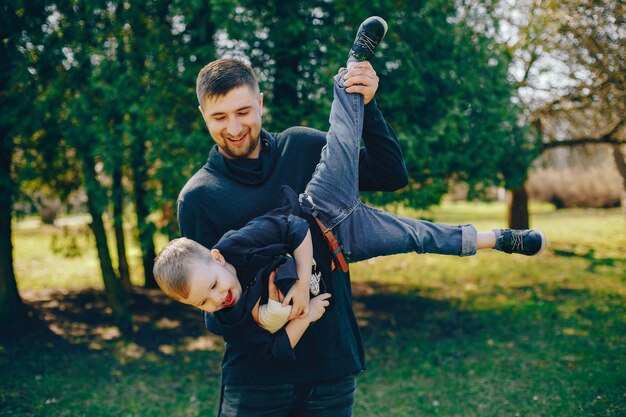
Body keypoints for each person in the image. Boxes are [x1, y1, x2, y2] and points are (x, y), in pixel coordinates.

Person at [162, 16, 546, 417]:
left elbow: (391, 175)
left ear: (260, 103)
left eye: (243, 111)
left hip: (332, 368)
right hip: (256, 381)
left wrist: (367, 103)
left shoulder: (303, 145)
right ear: (203, 115)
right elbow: (212, 304)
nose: (235, 127)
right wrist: (273, 312)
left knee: (416, 234)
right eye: (219, 117)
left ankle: (495, 239)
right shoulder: (198, 197)